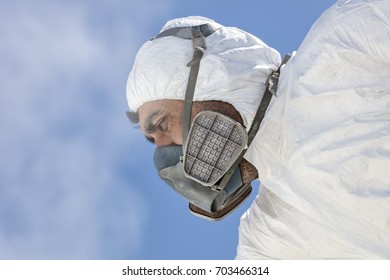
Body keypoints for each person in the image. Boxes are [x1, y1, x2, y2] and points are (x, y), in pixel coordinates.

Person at [126, 0, 390, 259]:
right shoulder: (271, 243)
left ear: (215, 79)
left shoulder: (345, 41)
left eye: (162, 125)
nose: (164, 153)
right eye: (152, 141)